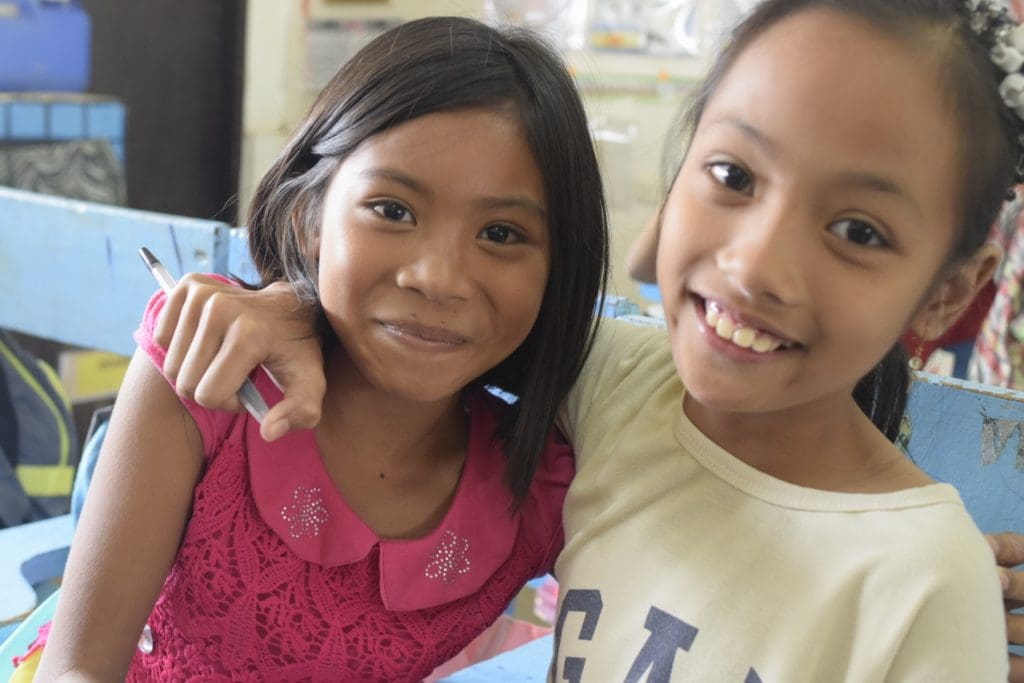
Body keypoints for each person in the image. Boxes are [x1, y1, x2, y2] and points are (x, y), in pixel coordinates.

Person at [102, 0, 1024, 680]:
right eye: (735, 175)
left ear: (949, 293)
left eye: (858, 230)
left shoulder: (924, 577)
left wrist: (939, 582)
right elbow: (443, 320)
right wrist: (292, 303)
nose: (756, 266)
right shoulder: (617, 385)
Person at [32, 16, 609, 682]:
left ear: (557, 268)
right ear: (309, 220)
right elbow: (77, 668)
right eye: (393, 210)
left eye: (501, 233)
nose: (438, 278)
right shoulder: (213, 360)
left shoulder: (542, 488)